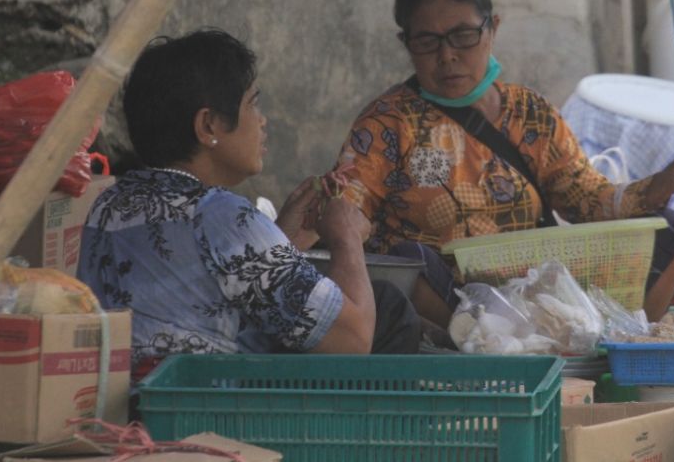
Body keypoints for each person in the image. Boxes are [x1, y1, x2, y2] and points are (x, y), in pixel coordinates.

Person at [330, 0, 674, 327]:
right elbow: (344, 215)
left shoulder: (529, 114)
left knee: (668, 230)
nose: (447, 55)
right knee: (406, 264)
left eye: (463, 35)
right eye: (427, 42)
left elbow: (588, 201)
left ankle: (623, 345)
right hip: (454, 308)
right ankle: (478, 355)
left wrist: (665, 182)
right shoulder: (386, 124)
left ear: (493, 29)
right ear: (407, 44)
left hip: (544, 300)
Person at [77, 29, 419, 382]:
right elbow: (353, 339)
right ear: (208, 125)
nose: (262, 120)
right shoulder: (220, 214)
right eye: (252, 103)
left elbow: (207, 285)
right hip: (200, 410)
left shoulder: (109, 203)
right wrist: (346, 236)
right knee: (387, 307)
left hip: (124, 402)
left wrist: (281, 238)